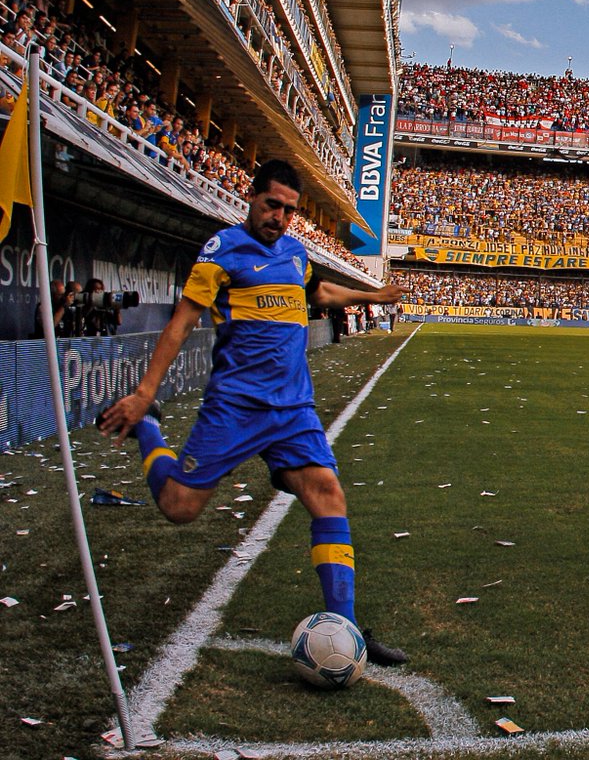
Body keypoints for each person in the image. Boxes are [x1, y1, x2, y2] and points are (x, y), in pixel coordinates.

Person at [97, 159, 409, 667]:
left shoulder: (295, 253)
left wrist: (372, 295)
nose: (280, 217)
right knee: (179, 507)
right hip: (236, 406)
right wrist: (142, 393)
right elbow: (180, 324)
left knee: (329, 497)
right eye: (272, 205)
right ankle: (150, 427)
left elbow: (320, 293)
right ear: (252, 197)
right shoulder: (222, 252)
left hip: (292, 408)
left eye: (289, 210)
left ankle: (346, 629)